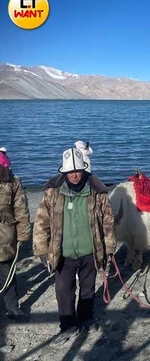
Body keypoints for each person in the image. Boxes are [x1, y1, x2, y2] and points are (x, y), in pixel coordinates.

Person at [33, 147, 116, 347]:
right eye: (70, 172)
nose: (74, 175)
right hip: (63, 254)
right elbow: (41, 221)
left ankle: (86, 319)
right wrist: (42, 249)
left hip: (90, 252)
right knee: (63, 291)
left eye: (77, 170)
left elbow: (108, 222)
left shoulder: (97, 192)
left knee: (88, 290)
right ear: (64, 172)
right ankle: (69, 327)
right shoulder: (52, 192)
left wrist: (110, 249)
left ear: (83, 169)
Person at [0, 147, 31, 323]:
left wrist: (23, 236)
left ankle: (12, 308)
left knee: (8, 273)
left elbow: (21, 210)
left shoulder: (13, 182)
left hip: (5, 239)